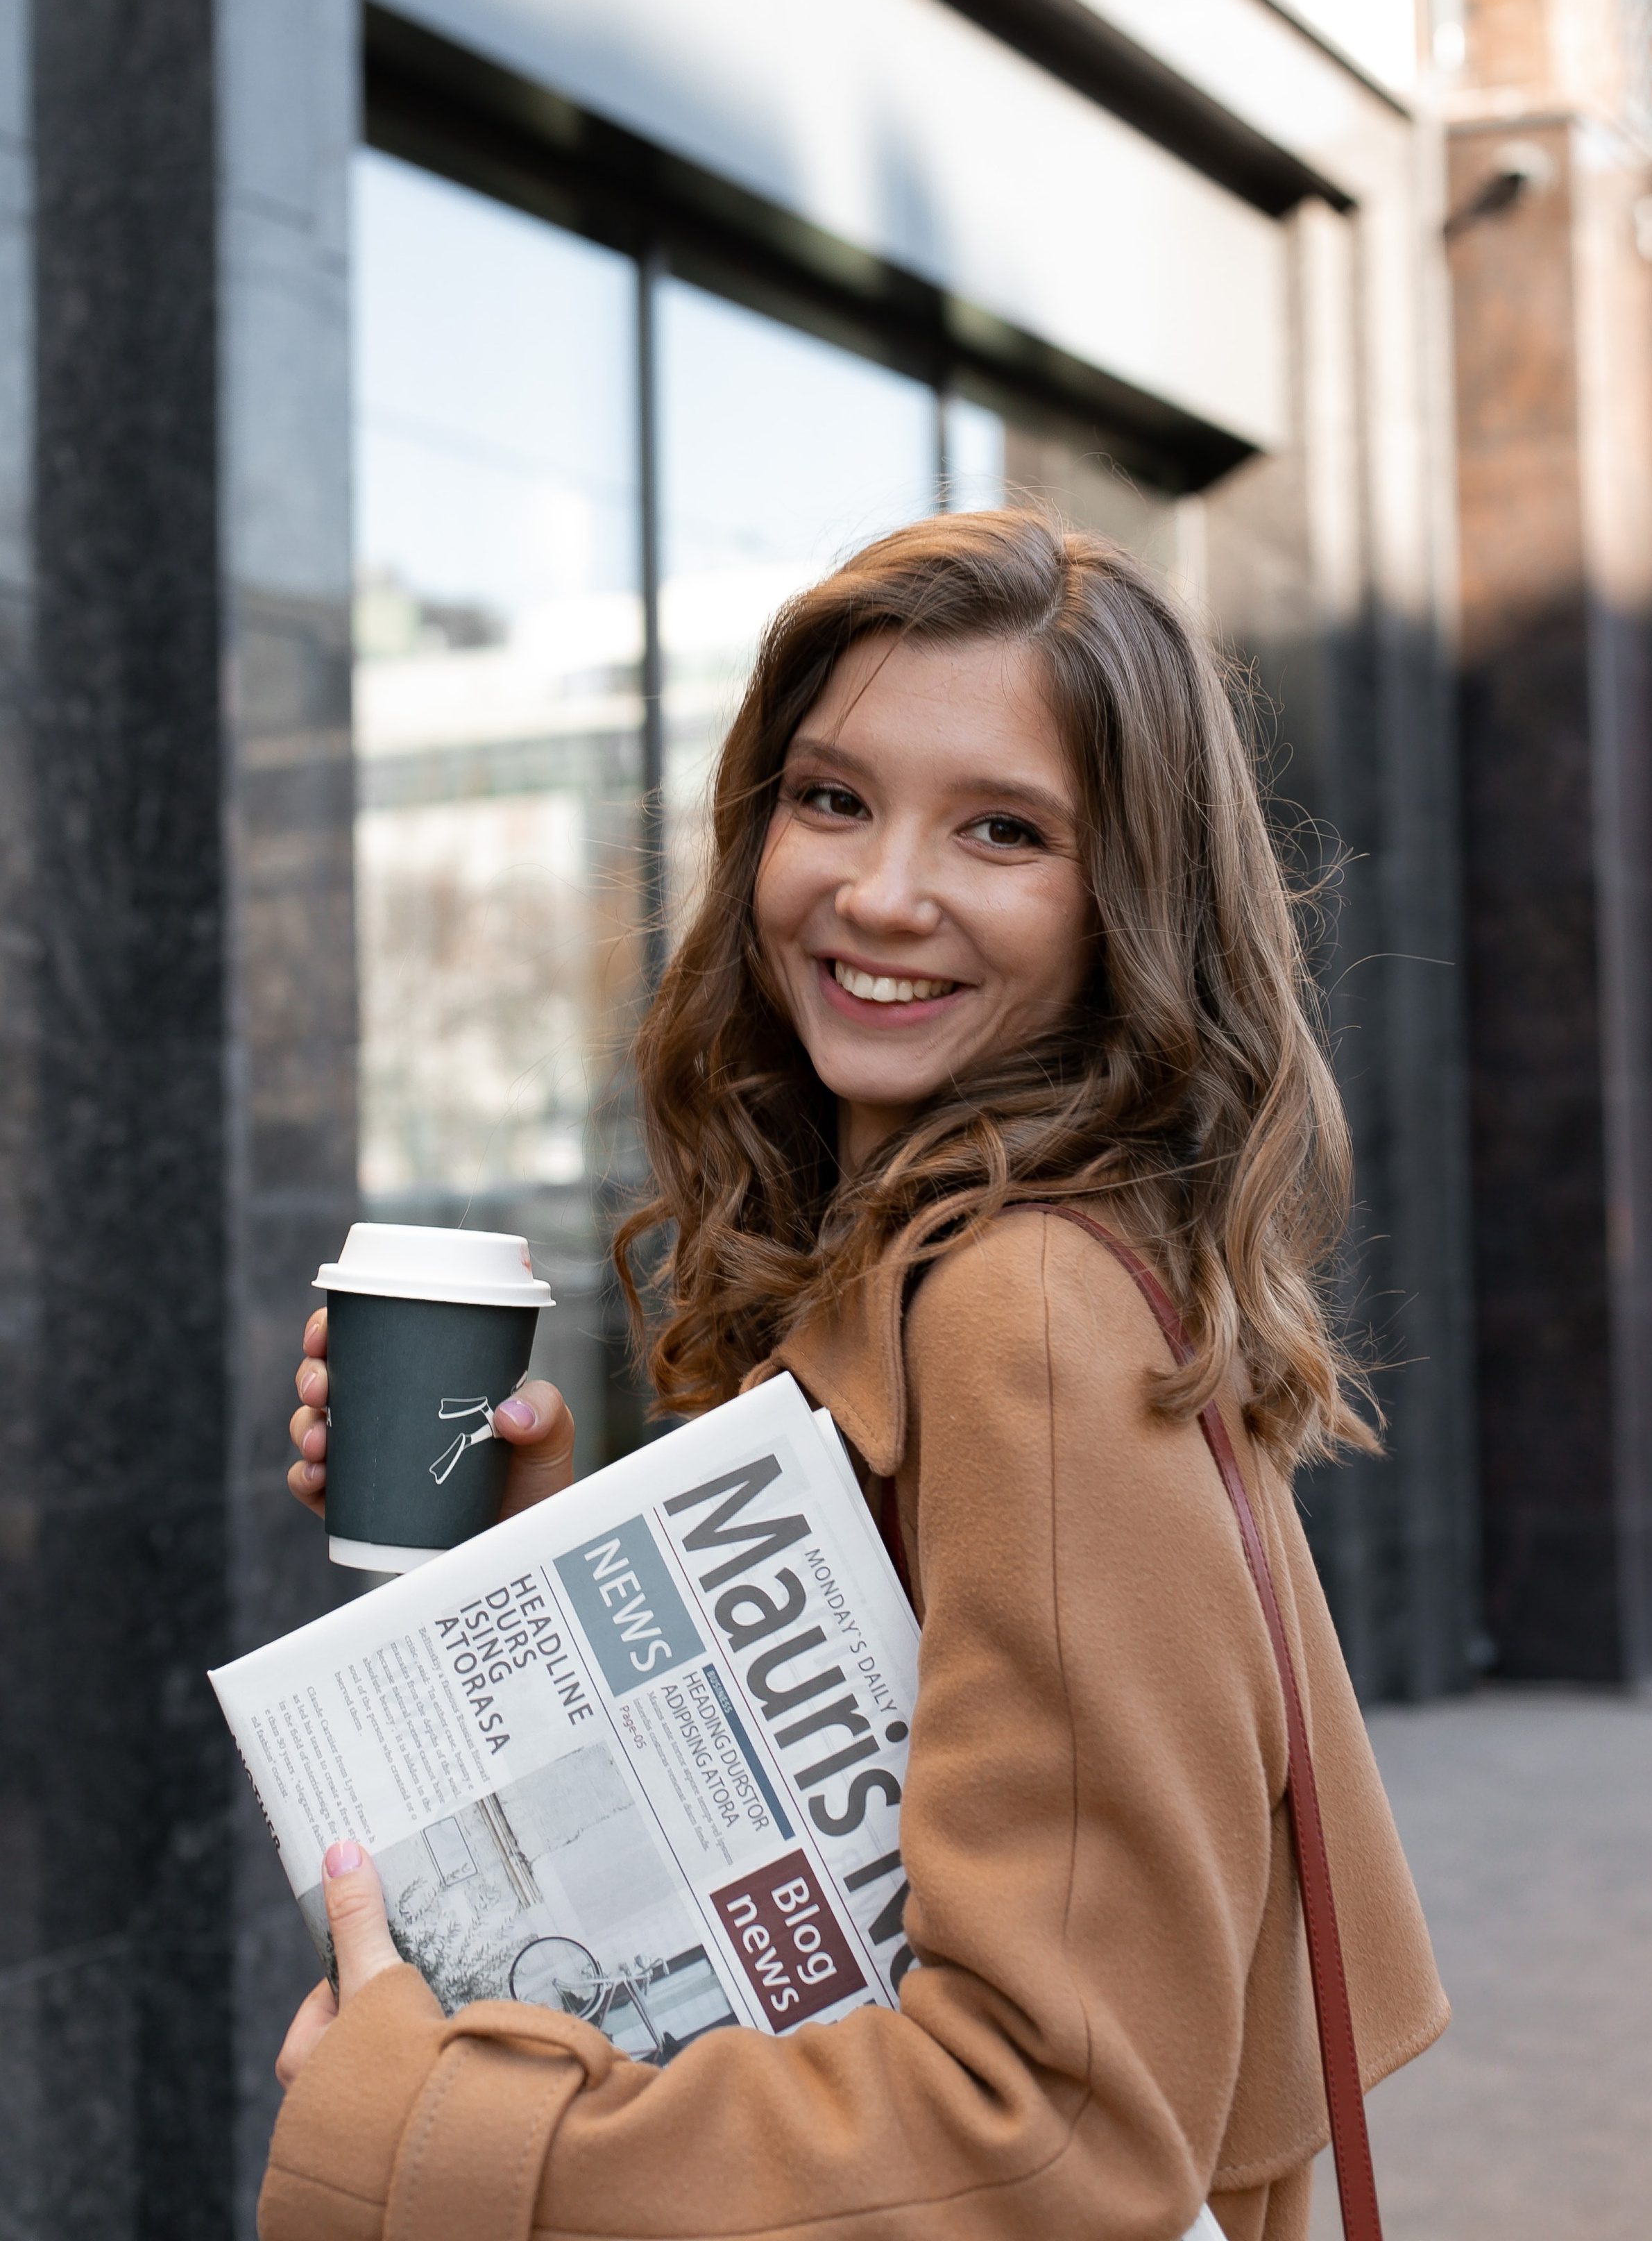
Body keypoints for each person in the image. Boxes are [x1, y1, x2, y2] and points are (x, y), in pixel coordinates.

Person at [269, 509, 1446, 2241]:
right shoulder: (925, 1251)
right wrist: (543, 1556)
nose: (881, 892)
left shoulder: (1019, 1311)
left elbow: (1050, 2134)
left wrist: (427, 2129)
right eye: (831, 799)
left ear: (1130, 895)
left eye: (1002, 830)